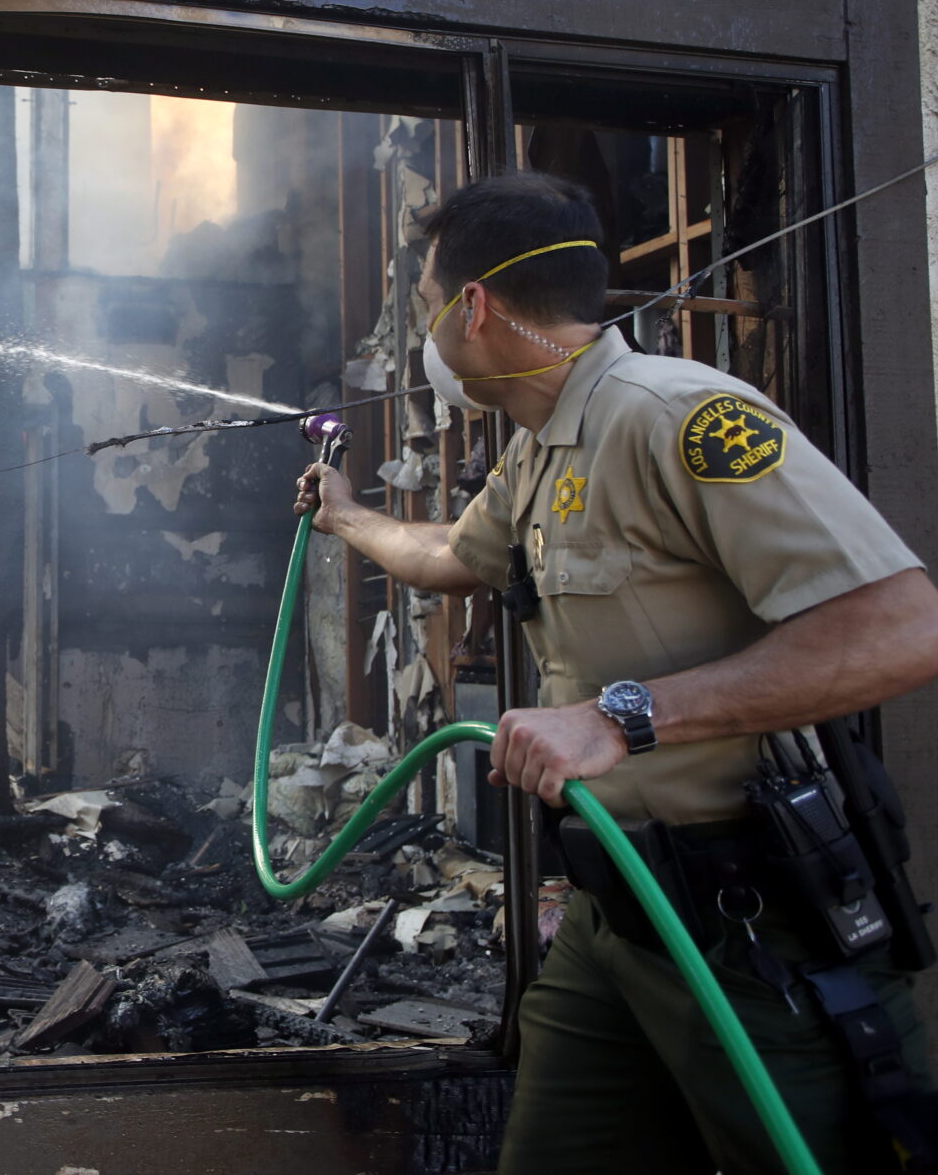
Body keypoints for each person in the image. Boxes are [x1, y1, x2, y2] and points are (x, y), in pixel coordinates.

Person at [293, 172, 938, 1174]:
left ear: (473, 308)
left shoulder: (674, 415)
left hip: (746, 917)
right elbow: (451, 558)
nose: (424, 338)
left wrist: (620, 718)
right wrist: (343, 514)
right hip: (614, 911)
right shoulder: (536, 448)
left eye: (422, 308)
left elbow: (901, 629)